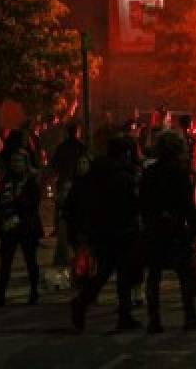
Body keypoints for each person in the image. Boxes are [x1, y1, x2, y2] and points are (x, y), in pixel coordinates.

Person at [68, 136, 142, 333]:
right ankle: (122, 316)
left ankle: (83, 303)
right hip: (122, 230)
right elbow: (132, 205)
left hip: (102, 231)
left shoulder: (96, 174)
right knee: (123, 274)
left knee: (104, 272)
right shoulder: (123, 176)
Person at [139, 130, 196, 333]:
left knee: (154, 276)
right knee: (185, 274)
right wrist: (194, 231)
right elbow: (187, 206)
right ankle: (190, 315)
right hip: (176, 229)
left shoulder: (149, 173)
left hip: (154, 229)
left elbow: (142, 202)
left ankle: (154, 320)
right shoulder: (180, 174)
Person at [0, 149, 42, 306]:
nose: (16, 164)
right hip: (9, 225)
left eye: (19, 161)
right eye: (13, 161)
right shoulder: (6, 180)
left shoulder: (31, 181)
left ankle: (34, 292)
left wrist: (16, 201)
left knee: (31, 260)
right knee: (5, 262)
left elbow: (33, 202)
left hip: (26, 225)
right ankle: (0, 294)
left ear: (26, 163)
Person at [48, 122, 88, 266]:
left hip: (64, 179)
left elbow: (54, 164)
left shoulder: (63, 147)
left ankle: (59, 227)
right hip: (69, 180)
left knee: (62, 208)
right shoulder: (81, 147)